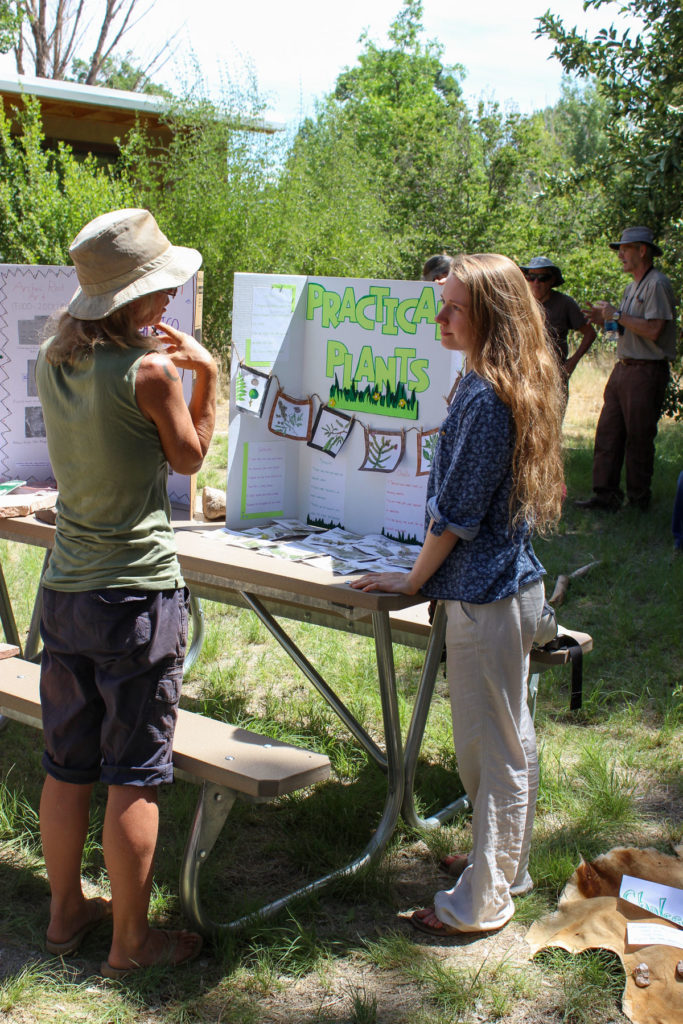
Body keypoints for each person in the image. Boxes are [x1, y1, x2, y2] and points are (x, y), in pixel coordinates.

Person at [352, 253, 564, 935]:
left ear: (489, 317)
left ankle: (481, 903)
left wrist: (412, 580)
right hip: (506, 590)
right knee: (511, 741)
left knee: (487, 750)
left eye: (451, 307)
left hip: (486, 599)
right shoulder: (501, 382)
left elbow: (458, 514)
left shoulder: (484, 395)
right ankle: (505, 863)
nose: (437, 316)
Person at [35, 208, 217, 976]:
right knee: (134, 774)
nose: (169, 297)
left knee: (66, 765)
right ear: (130, 298)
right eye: (161, 287)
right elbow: (190, 460)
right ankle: (131, 944)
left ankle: (65, 912)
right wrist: (204, 375)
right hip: (136, 596)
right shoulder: (148, 373)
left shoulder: (54, 356)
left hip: (66, 588)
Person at [576, 226, 676, 511]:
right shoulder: (631, 286)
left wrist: (618, 315)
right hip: (624, 368)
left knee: (638, 436)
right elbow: (626, 327)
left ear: (642, 251)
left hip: (646, 371)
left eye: (625, 248)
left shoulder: (657, 284)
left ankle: (638, 501)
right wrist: (605, 320)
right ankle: (605, 496)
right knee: (608, 431)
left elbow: (655, 329)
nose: (620, 254)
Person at [519, 256, 596, 380]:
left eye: (542, 278)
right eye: (531, 277)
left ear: (552, 280)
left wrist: (572, 362)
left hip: (555, 376)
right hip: (525, 375)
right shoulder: (520, 304)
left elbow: (590, 333)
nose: (536, 283)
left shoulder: (565, 303)